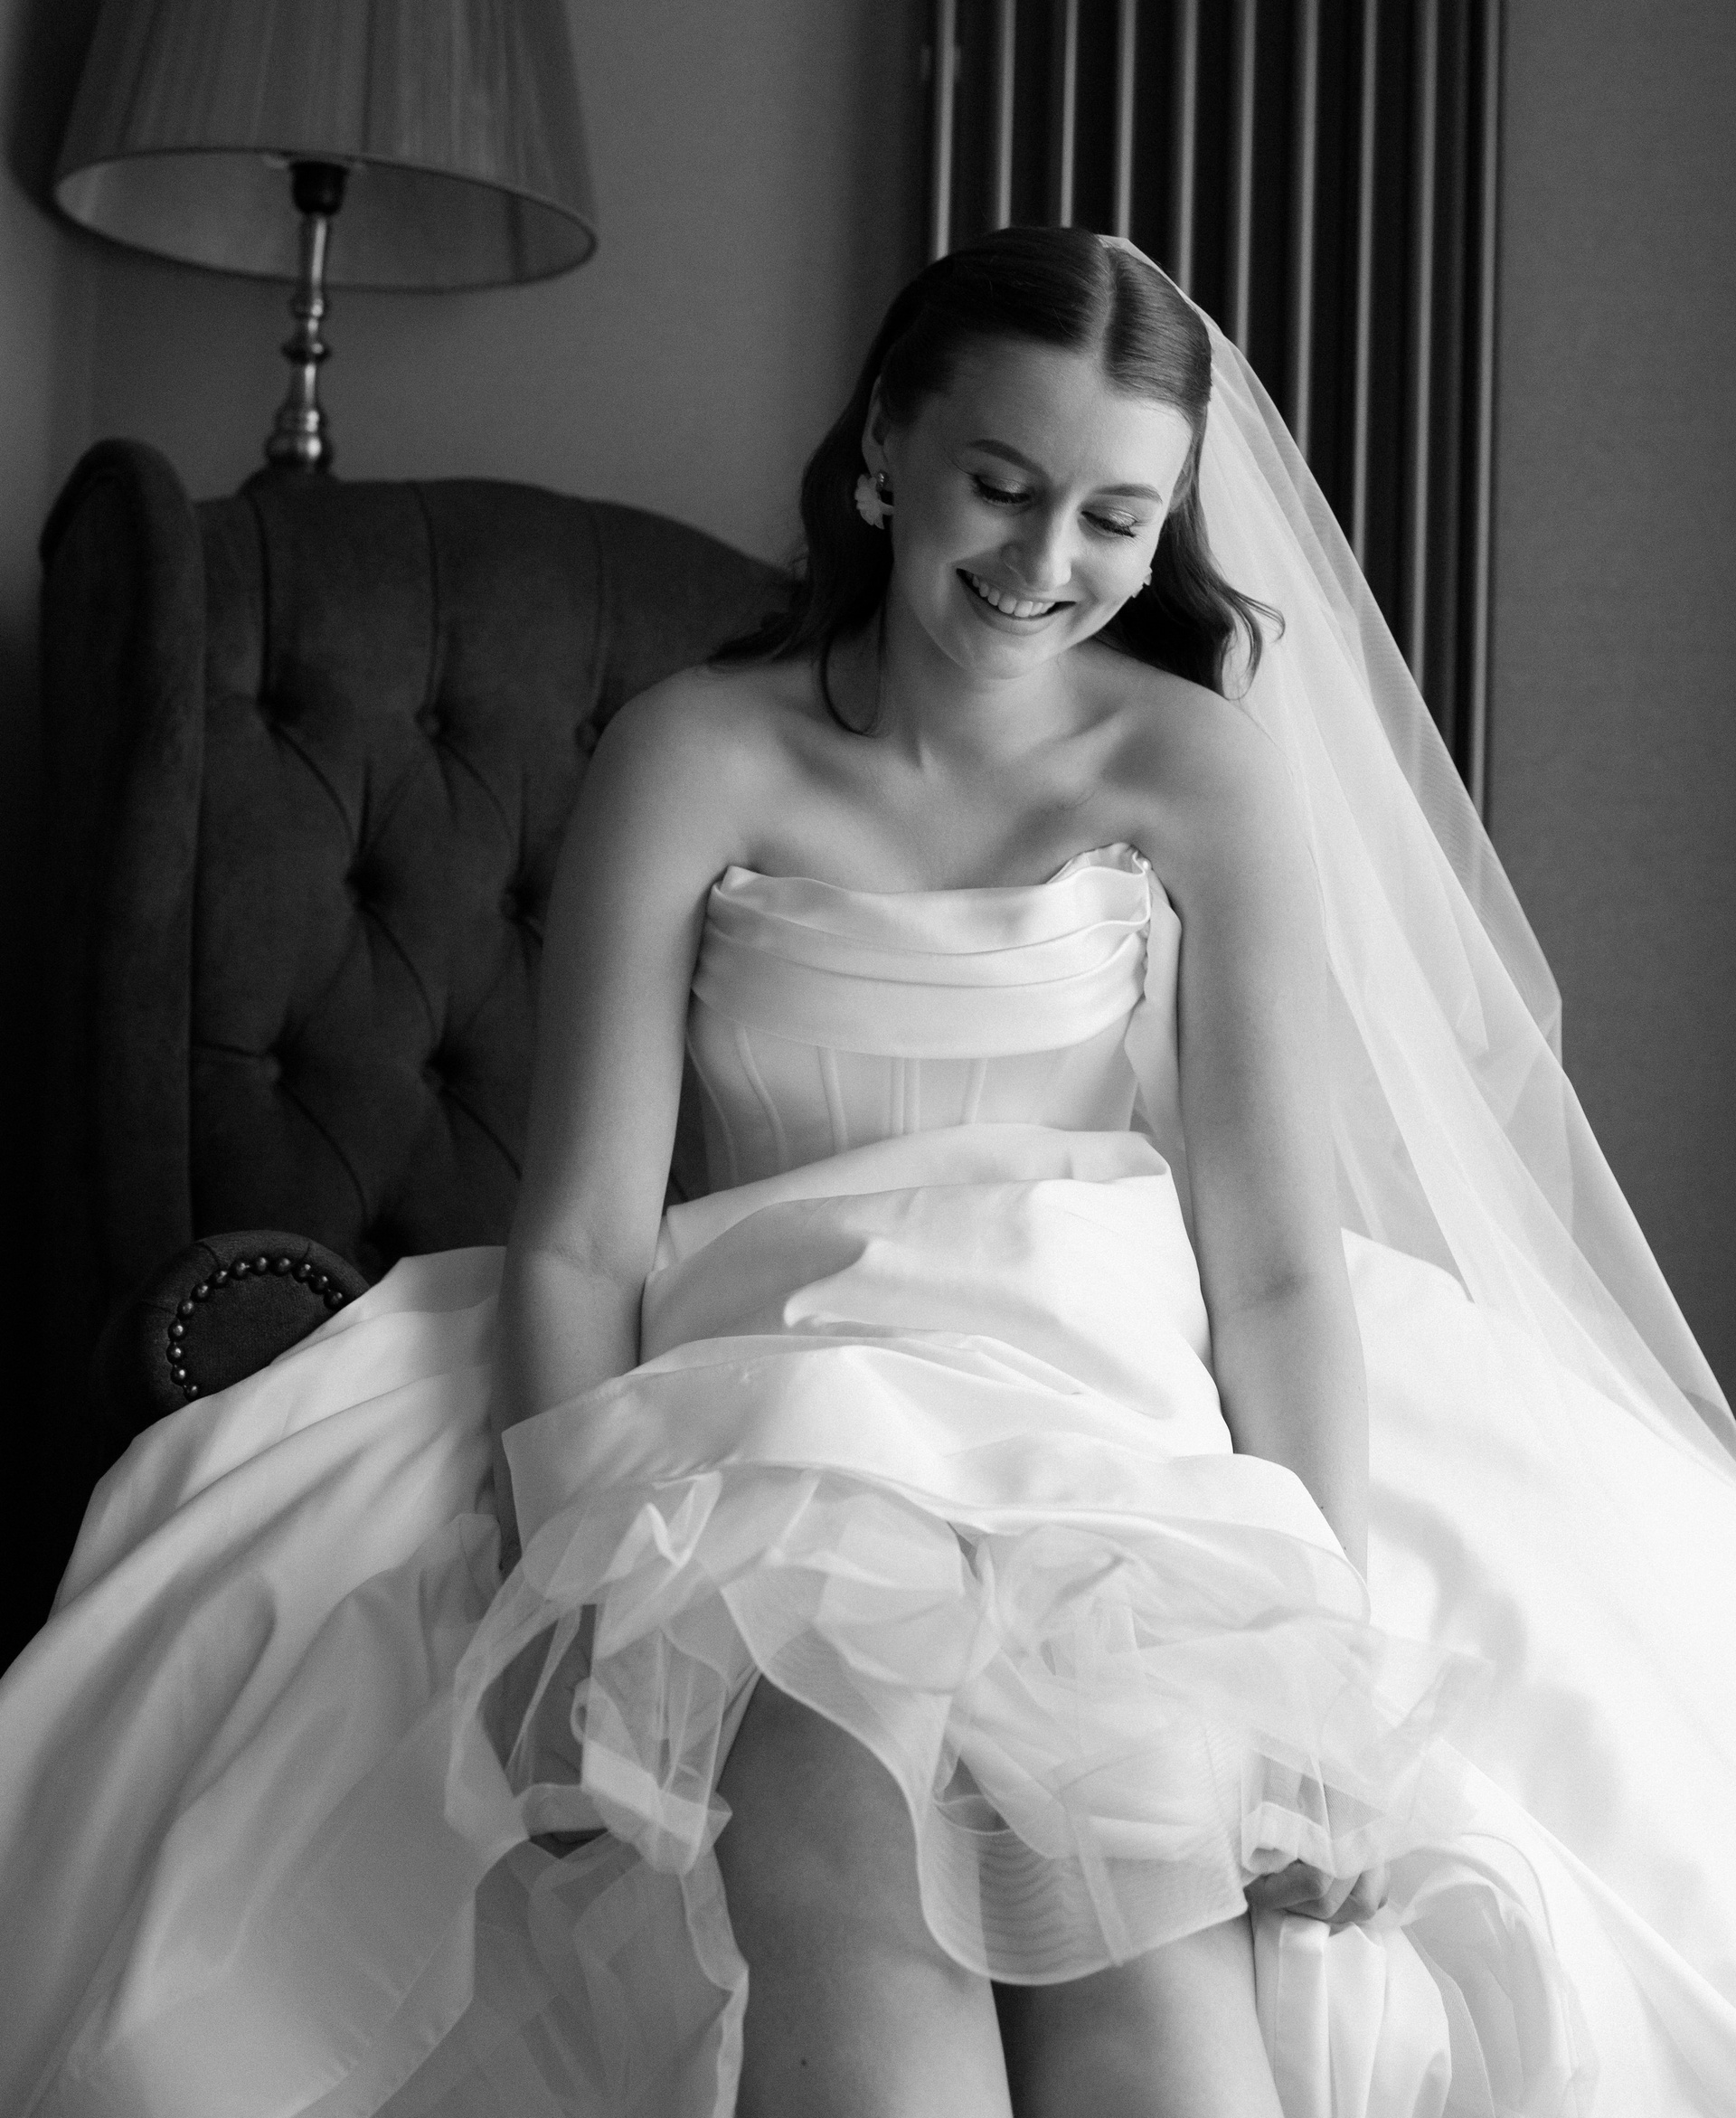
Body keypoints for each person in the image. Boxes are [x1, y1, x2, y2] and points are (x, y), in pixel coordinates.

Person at [2, 227, 1733, 2118]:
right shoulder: (693, 753)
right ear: (888, 448)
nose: (1046, 560)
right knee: (867, 1976)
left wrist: (1319, 1668)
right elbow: (580, 1236)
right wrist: (561, 1584)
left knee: (1166, 2019)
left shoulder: (1199, 770)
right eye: (1002, 483)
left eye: (1115, 517)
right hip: (784, 1406)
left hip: (1103, 1433)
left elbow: (1279, 1266)